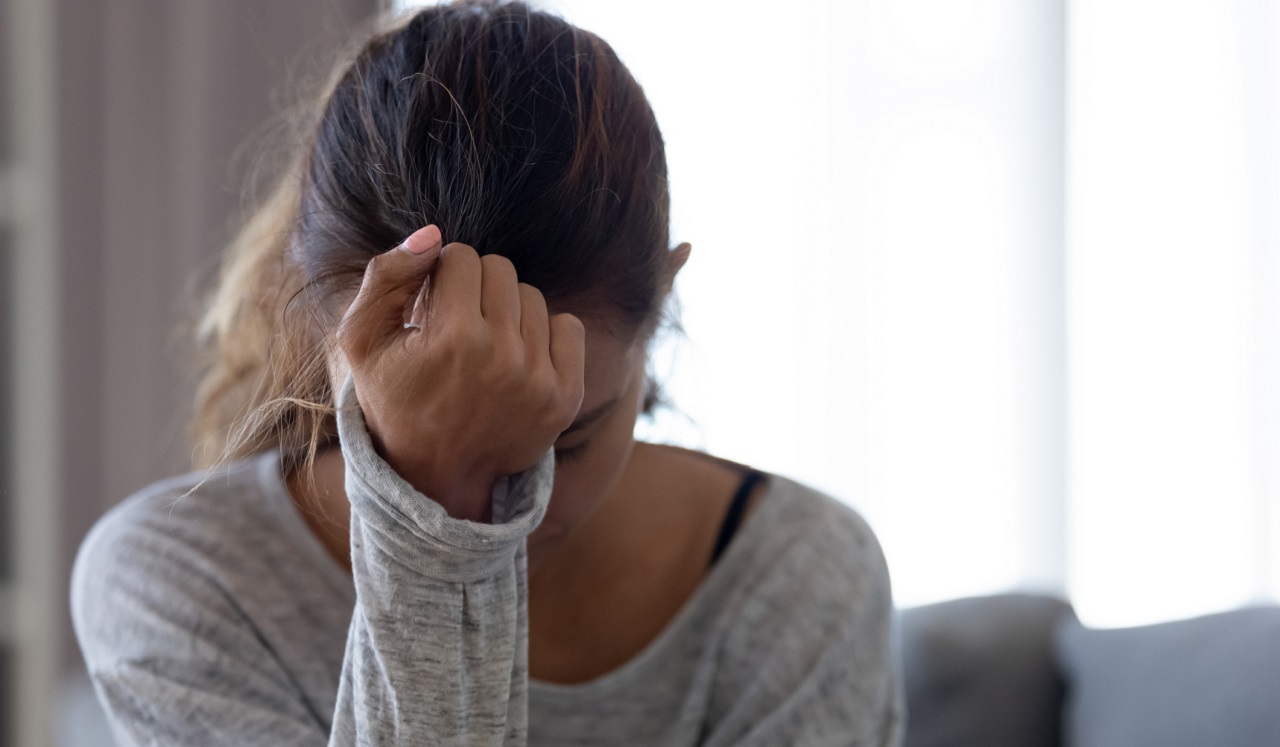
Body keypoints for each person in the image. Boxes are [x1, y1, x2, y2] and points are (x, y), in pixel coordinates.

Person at [70, 1, 904, 744]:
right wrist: (428, 526)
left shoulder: (799, 577)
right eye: (407, 409)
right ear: (324, 328)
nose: (515, 503)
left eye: (562, 436)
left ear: (664, 303)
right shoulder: (179, 584)